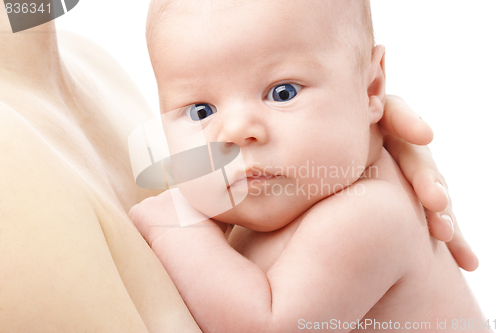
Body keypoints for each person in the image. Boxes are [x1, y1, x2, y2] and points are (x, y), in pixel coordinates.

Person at [0, 0, 477, 331]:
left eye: (283, 92)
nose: (233, 133)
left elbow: (265, 325)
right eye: (201, 112)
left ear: (372, 90)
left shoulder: (368, 216)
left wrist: (172, 227)